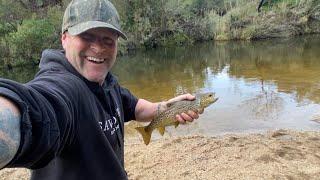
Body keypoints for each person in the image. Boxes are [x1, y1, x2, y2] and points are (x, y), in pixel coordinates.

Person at [0, 0, 202, 179]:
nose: (99, 48)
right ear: (64, 38)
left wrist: (165, 108)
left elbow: (133, 107)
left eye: (108, 40)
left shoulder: (106, 82)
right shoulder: (64, 87)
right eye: (86, 36)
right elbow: (40, 110)